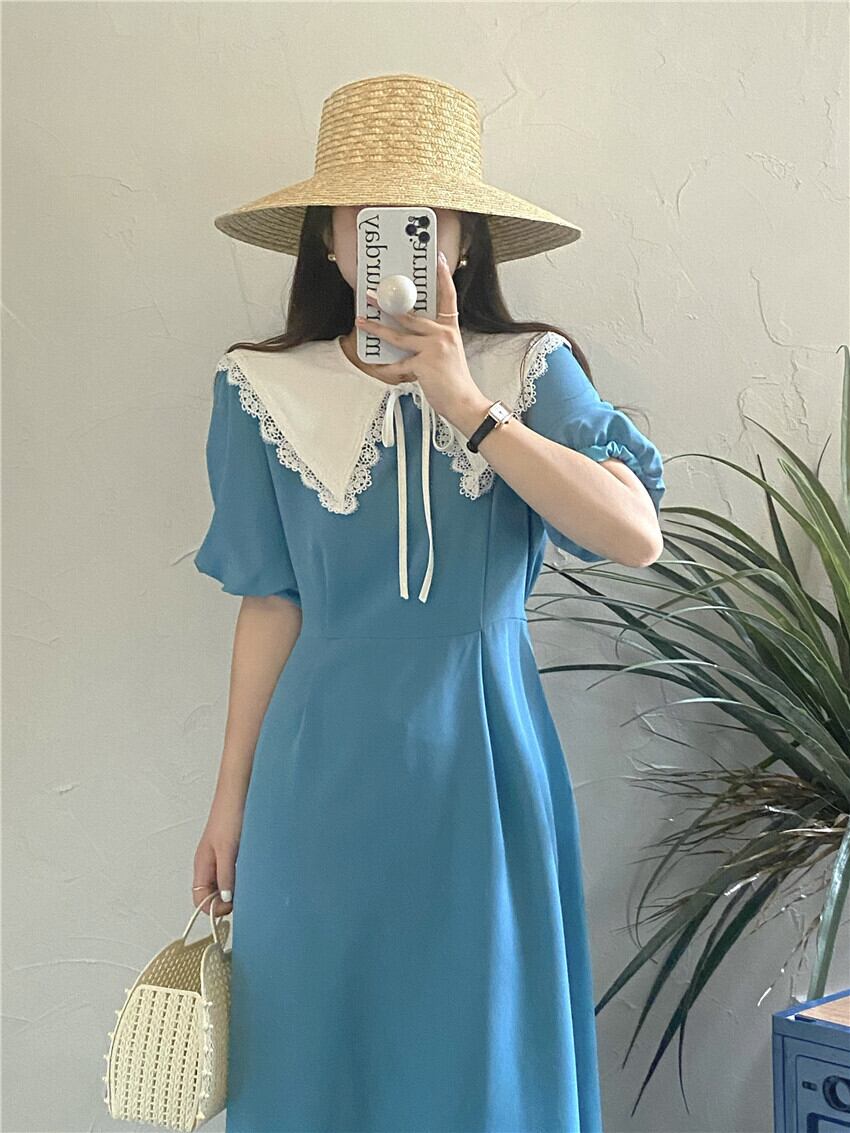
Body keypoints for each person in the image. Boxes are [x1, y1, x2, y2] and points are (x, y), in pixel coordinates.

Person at [192, 73, 666, 1133]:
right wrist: (228, 800)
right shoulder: (260, 385)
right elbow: (270, 603)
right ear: (326, 241)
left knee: (478, 1052)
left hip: (482, 759)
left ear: (463, 239)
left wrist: (468, 405)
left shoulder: (527, 367)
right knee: (313, 1048)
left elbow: (634, 535)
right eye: (360, 217)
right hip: (315, 774)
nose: (389, 241)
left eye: (418, 217)